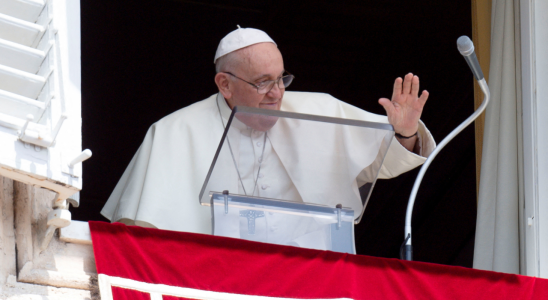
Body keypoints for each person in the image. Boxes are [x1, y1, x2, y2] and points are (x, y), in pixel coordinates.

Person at [101, 27, 436, 236]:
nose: (277, 93)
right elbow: (142, 232)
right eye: (263, 83)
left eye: (281, 79)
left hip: (308, 278)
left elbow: (383, 161)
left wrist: (404, 133)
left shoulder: (321, 111)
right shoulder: (175, 132)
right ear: (225, 84)